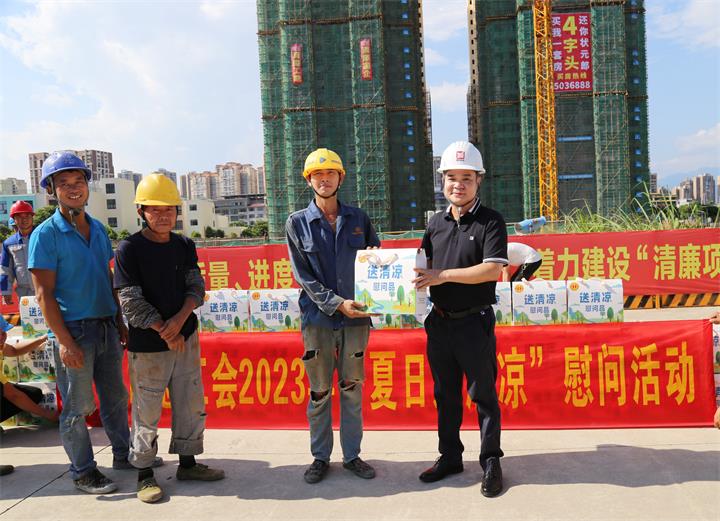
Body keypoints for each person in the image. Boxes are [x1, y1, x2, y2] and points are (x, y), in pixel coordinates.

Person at [28, 151, 160, 495]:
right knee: (76, 407)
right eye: (64, 183)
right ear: (51, 190)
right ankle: (83, 471)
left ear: (88, 186)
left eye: (79, 181)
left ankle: (123, 454)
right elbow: (43, 294)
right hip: (73, 331)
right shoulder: (45, 234)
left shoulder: (98, 229)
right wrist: (64, 341)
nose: (74, 188)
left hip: (105, 327)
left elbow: (107, 278)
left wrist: (119, 321)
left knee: (115, 399)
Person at [113, 174, 224, 503]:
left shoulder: (184, 245)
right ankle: (144, 473)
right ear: (141, 212)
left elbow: (196, 286)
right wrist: (165, 330)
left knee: (190, 402)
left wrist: (179, 321)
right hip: (149, 346)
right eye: (154, 209)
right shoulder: (129, 249)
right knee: (146, 410)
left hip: (185, 337)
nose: (162, 216)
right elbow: (130, 302)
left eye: (169, 209)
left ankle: (188, 464)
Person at [413, 141, 508, 497]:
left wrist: (442, 276)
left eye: (466, 178)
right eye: (451, 177)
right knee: (445, 395)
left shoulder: (490, 221)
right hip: (439, 323)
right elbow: (422, 267)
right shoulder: (434, 223)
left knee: (483, 395)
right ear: (442, 181)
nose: (458, 185)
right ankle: (450, 457)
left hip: (473, 323)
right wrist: (380, 270)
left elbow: (492, 270)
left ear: (478, 180)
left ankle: (491, 461)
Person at [286, 148, 380, 484]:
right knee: (320, 391)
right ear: (308, 180)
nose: (324, 180)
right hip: (319, 320)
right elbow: (303, 276)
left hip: (356, 320)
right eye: (317, 175)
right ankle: (320, 457)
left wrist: (379, 269)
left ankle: (352, 456)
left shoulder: (359, 219)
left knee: (352, 388)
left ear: (341, 178)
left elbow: (376, 260)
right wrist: (337, 304)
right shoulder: (297, 223)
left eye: (330, 173)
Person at [0, 315, 58, 425]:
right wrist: (48, 414)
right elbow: (13, 395)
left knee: (34, 394)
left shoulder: (0, 345)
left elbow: (14, 350)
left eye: (4, 333)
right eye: (0, 333)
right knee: (5, 390)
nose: (3, 337)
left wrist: (42, 339)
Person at [1, 201, 37, 304]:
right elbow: (5, 269)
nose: (24, 219)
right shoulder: (9, 243)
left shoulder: (43, 237)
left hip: (47, 290)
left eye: (27, 216)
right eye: (19, 217)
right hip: (24, 294)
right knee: (28, 315)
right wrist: (6, 291)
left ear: (32, 217)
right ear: (14, 219)